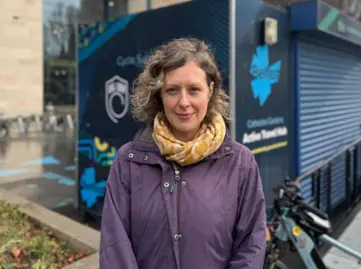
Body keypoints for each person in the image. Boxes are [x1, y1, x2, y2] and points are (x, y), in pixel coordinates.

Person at [99, 37, 267, 269]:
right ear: (159, 95)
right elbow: (115, 247)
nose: (184, 102)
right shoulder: (128, 162)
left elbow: (251, 245)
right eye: (173, 90)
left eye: (194, 90)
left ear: (210, 91)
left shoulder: (240, 163)